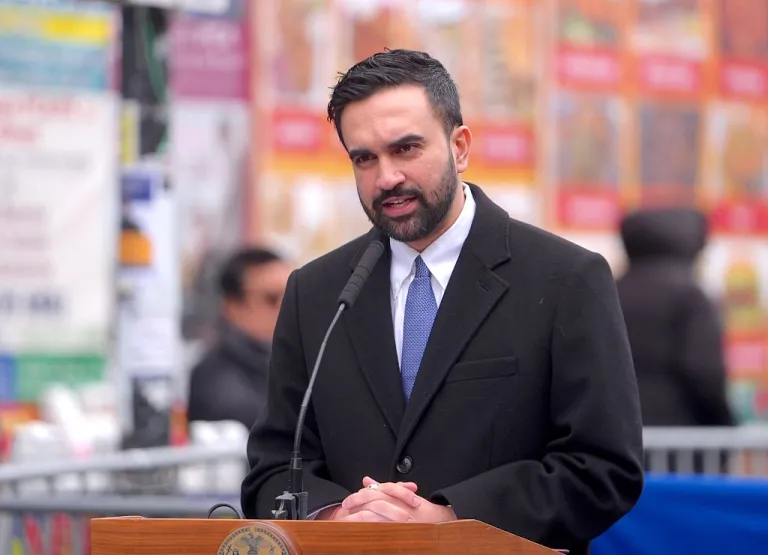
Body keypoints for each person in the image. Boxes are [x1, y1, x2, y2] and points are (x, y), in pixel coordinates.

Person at [241, 49, 643, 555]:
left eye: (405, 149)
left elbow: (603, 469)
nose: (386, 177)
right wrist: (338, 515)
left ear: (460, 147)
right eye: (364, 158)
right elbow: (273, 467)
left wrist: (451, 520)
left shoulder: (566, 278)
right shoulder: (315, 292)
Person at [616, 208, 734, 429]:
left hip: (619, 431)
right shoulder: (691, 296)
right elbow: (704, 373)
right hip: (680, 432)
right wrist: (723, 425)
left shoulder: (610, 290)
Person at [187, 247, 291, 430]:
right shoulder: (214, 380)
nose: (286, 307)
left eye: (292, 295)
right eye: (272, 298)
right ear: (233, 306)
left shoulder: (303, 360)